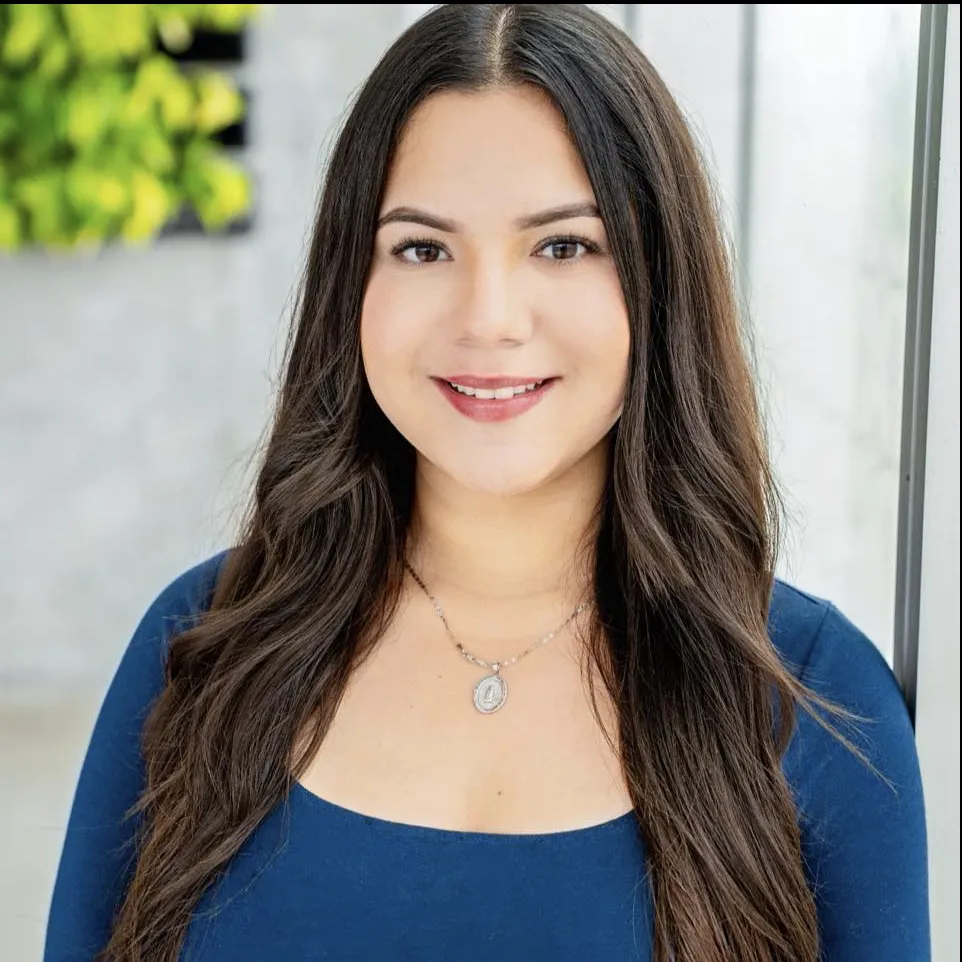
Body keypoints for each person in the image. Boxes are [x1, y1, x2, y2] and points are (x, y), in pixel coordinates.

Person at [43, 5, 929, 962]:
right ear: (355, 283)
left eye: (562, 246)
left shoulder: (813, 698)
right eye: (423, 248)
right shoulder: (203, 645)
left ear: (655, 281)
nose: (490, 318)